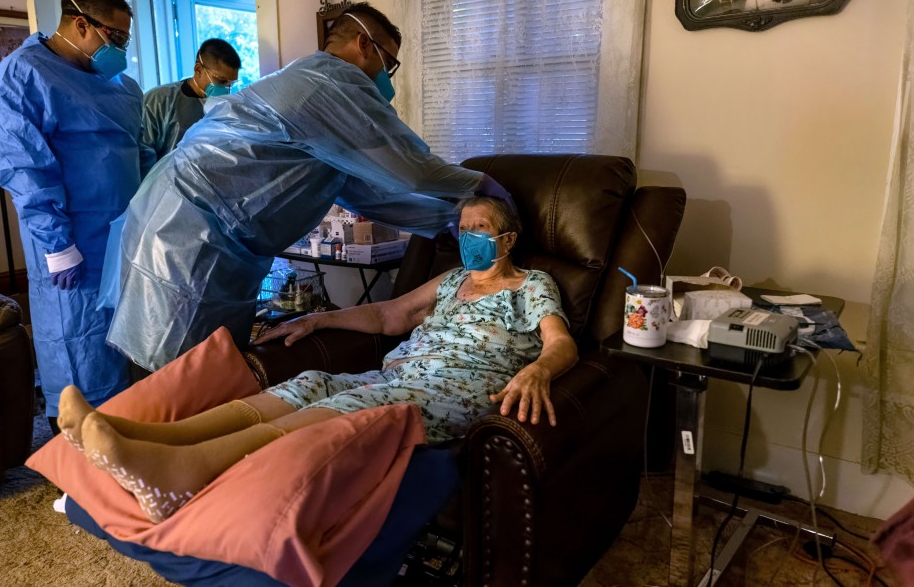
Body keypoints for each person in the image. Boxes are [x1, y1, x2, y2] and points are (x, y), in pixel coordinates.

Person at [59, 196, 577, 523]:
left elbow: (562, 343)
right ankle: (142, 437)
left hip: (456, 391)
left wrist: (538, 369)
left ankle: (178, 472)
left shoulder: (529, 285)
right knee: (310, 380)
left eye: (480, 229)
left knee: (355, 398)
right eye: (461, 229)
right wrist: (319, 320)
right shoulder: (450, 280)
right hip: (398, 374)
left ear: (507, 239)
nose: (467, 239)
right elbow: (389, 317)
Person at [106, 2, 513, 373]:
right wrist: (478, 182)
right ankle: (138, 445)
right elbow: (411, 169)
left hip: (196, 226)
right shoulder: (331, 85)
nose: (387, 81)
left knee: (209, 366)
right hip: (187, 233)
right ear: (363, 45)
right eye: (388, 65)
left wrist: (445, 219)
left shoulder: (312, 92)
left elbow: (358, 191)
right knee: (175, 369)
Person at [0, 0, 154, 434]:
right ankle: (79, 477)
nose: (121, 49)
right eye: (115, 38)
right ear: (81, 25)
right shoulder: (22, 77)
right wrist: (56, 246)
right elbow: (27, 169)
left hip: (127, 234)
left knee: (132, 345)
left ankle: (134, 449)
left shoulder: (122, 86)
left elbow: (140, 152)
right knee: (82, 349)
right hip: (72, 241)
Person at [141, 38, 241, 161]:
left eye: (232, 83)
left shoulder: (226, 108)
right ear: (198, 69)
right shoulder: (159, 100)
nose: (227, 88)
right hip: (167, 179)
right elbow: (143, 154)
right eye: (221, 81)